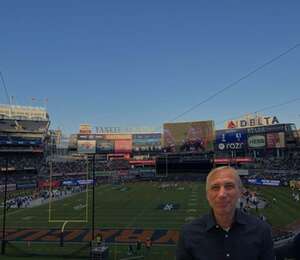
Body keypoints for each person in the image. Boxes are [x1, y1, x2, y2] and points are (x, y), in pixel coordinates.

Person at [176, 166, 275, 260]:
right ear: (207, 195)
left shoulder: (262, 231)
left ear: (240, 192)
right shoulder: (188, 234)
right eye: (215, 187)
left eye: (229, 186)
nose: (222, 194)